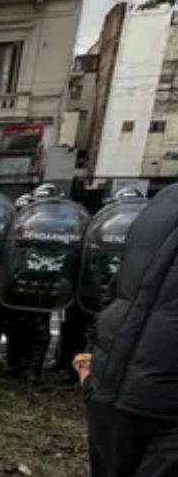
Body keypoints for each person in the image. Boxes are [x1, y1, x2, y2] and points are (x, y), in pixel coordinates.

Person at [87, 182, 178, 476]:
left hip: (144, 398)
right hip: (116, 388)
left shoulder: (163, 200)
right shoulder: (164, 201)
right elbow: (121, 286)